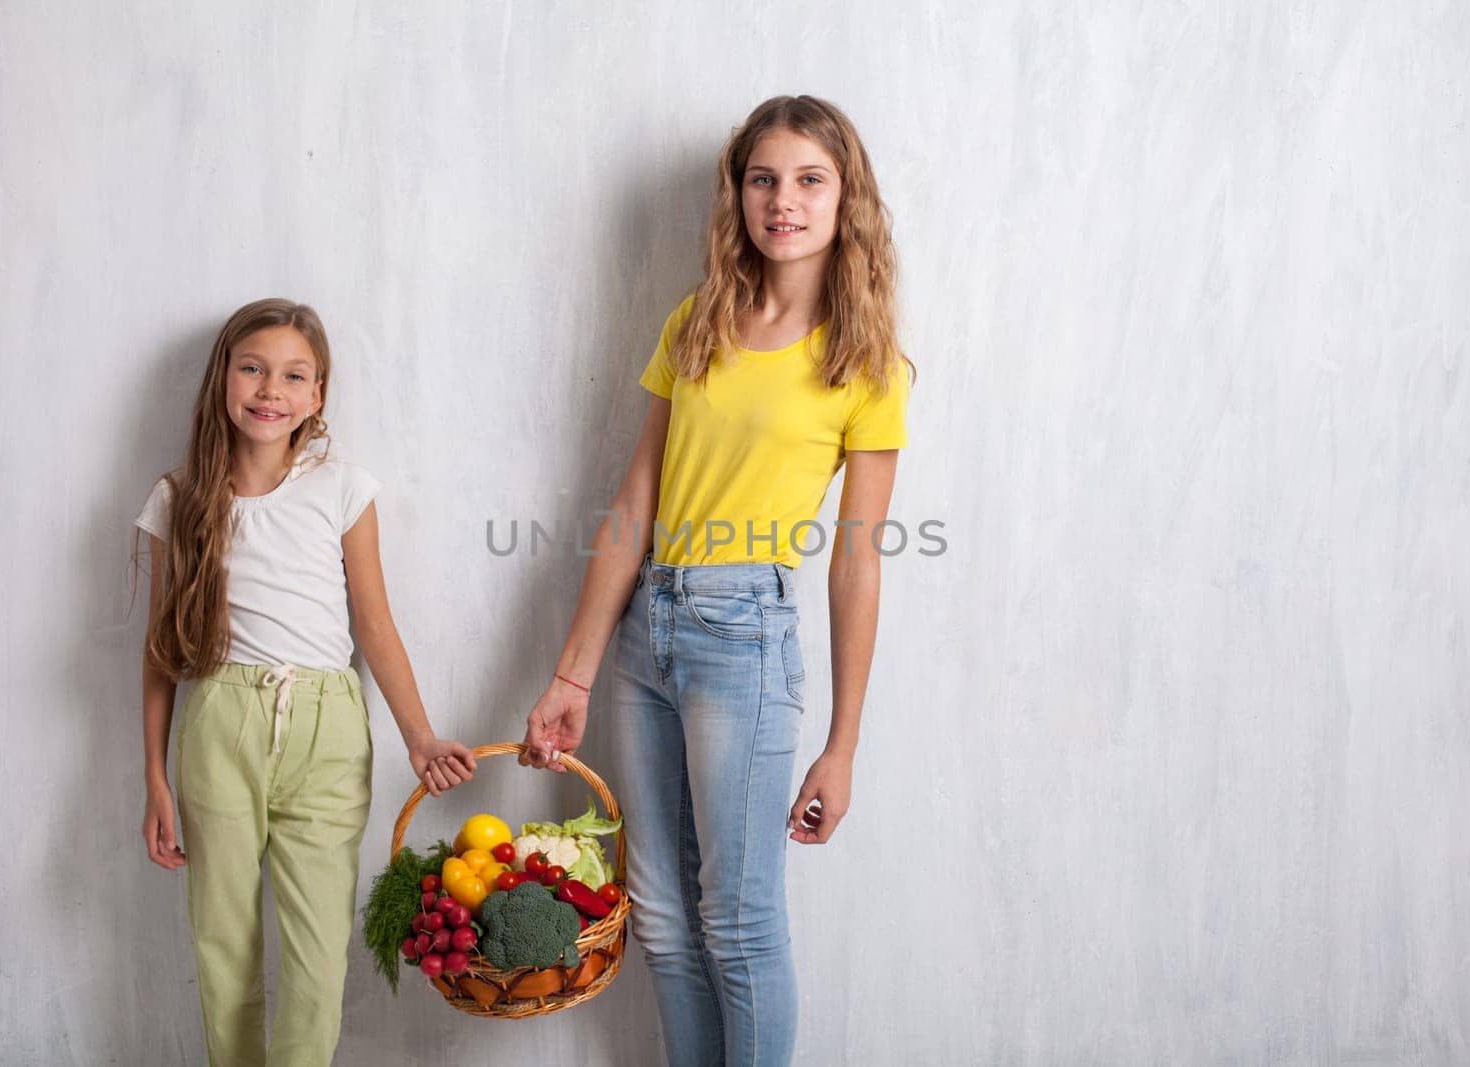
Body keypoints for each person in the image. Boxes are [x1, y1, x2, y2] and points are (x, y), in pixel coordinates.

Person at [520, 95, 912, 1065]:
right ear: (736, 193)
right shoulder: (696, 321)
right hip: (646, 625)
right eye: (762, 178)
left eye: (808, 180)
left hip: (745, 633)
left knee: (736, 918)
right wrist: (571, 673)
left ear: (844, 198)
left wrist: (842, 744)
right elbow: (633, 502)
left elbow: (856, 558)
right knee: (657, 911)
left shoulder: (864, 364)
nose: (783, 200)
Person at [135, 298, 476, 1066]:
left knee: (319, 953)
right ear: (224, 376)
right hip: (219, 721)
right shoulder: (180, 497)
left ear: (318, 395)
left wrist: (419, 736)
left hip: (326, 726)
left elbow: (375, 626)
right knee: (224, 942)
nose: (269, 389)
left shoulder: (342, 488)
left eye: (294, 375)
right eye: (252, 367)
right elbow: (161, 653)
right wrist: (154, 777)